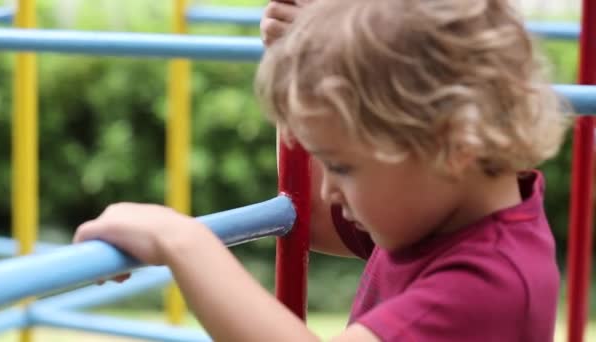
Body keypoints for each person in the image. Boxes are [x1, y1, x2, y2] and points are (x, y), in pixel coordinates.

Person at [74, 0, 570, 340]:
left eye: (343, 166)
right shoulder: (444, 212)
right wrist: (307, 59)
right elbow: (308, 215)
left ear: (453, 141)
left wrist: (182, 242)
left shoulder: (489, 283)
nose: (330, 188)